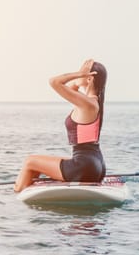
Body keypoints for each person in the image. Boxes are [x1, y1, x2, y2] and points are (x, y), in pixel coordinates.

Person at [14, 59, 107, 192]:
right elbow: (70, 89)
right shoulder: (90, 103)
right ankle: (29, 186)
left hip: (84, 166)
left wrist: (78, 74)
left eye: (83, 71)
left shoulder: (88, 104)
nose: (80, 72)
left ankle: (17, 194)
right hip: (95, 165)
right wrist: (80, 79)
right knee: (37, 165)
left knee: (30, 161)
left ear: (89, 78)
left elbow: (54, 82)